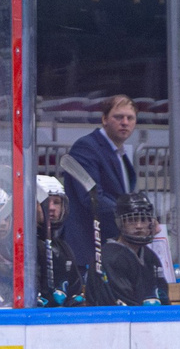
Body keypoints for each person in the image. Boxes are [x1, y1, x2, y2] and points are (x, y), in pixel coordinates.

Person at [58, 93, 137, 273]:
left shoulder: (120, 154)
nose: (125, 122)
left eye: (130, 118)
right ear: (104, 119)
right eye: (118, 117)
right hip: (87, 249)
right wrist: (130, 217)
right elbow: (91, 197)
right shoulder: (86, 147)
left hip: (110, 248)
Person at [83, 190, 169, 306]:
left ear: (150, 222)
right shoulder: (110, 257)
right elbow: (123, 307)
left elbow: (163, 297)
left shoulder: (150, 257)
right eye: (132, 220)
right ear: (121, 223)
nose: (138, 226)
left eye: (143, 220)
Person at [33, 175, 83, 303]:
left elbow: (75, 290)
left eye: (56, 202)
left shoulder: (63, 247)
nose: (51, 208)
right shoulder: (25, 246)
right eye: (44, 202)